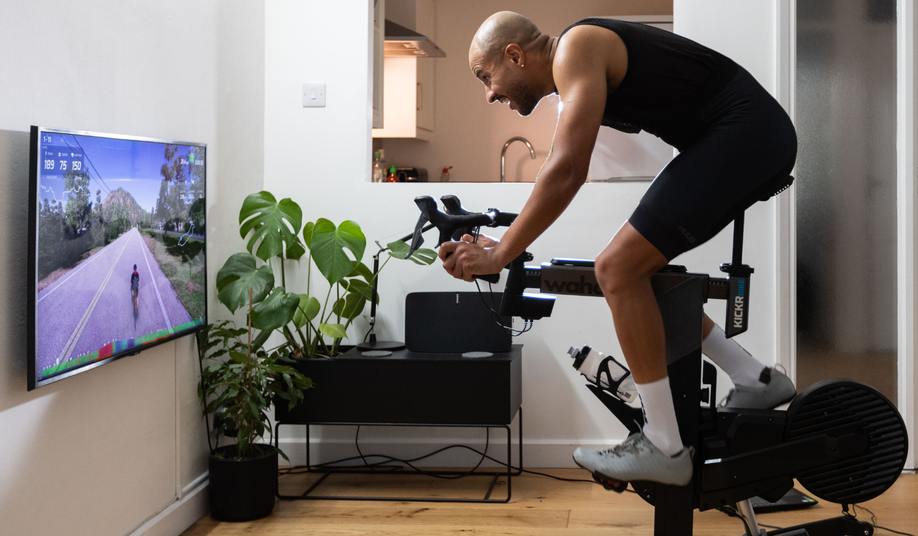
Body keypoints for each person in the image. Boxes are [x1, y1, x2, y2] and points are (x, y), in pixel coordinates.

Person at [438, 12, 797, 486]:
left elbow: (567, 169)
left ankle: (665, 445)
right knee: (638, 274)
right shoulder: (576, 70)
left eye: (487, 77)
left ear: (514, 55)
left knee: (617, 269)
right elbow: (568, 161)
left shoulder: (577, 47)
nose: (490, 93)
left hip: (744, 133)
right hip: (730, 137)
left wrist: (502, 252)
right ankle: (754, 379)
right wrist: (500, 244)